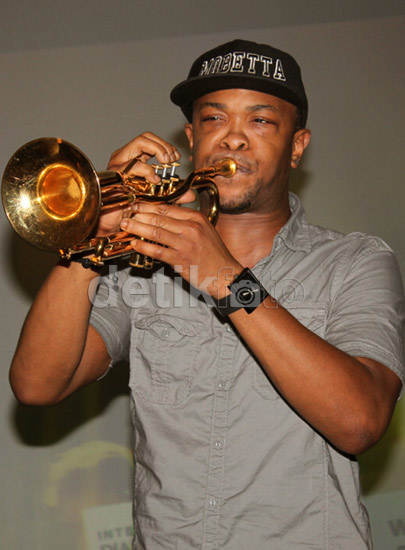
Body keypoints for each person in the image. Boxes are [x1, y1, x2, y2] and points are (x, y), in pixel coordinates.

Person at [9, 39, 404, 549]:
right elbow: (37, 385)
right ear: (193, 138)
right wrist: (91, 240)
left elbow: (359, 423)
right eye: (214, 119)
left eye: (260, 121)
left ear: (297, 145)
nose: (233, 138)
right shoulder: (142, 266)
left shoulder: (354, 262)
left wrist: (226, 280)